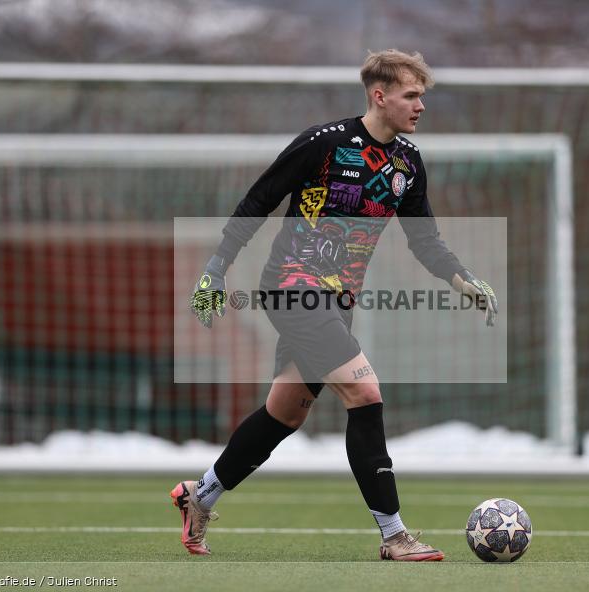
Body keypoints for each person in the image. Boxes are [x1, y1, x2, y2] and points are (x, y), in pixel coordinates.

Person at [173, 49, 498, 561]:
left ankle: (200, 495)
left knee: (284, 414)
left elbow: (425, 240)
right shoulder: (324, 144)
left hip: (336, 303)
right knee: (365, 393)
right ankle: (395, 536)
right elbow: (257, 201)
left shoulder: (408, 165)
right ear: (380, 95)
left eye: (422, 97)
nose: (420, 106)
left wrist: (463, 278)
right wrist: (217, 266)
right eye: (412, 95)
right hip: (291, 287)